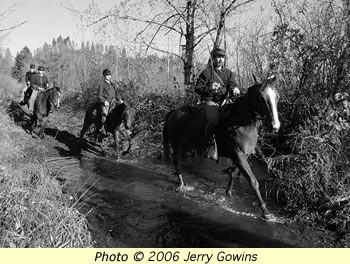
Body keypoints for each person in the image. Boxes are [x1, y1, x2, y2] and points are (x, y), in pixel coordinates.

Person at [194, 47, 240, 160]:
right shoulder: (207, 73)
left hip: (224, 102)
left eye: (222, 57)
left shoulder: (229, 73)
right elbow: (198, 88)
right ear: (213, 59)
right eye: (218, 57)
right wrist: (210, 88)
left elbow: (232, 85)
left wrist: (235, 89)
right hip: (209, 101)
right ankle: (208, 144)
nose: (220, 59)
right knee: (214, 120)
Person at [97, 68, 123, 136]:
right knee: (104, 116)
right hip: (106, 103)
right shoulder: (101, 84)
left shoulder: (112, 84)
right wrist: (104, 101)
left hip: (114, 102)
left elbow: (116, 93)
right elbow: (99, 95)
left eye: (109, 75)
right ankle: (103, 129)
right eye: (106, 75)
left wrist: (120, 100)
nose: (108, 76)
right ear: (104, 76)